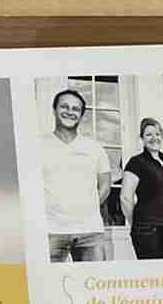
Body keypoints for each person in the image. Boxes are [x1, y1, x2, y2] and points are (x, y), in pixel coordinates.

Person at [40, 86, 111, 261]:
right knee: (49, 278)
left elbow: (105, 185)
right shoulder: (38, 145)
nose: (70, 112)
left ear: (81, 115)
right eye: (64, 107)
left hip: (90, 231)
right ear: (54, 110)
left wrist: (88, 207)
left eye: (75, 109)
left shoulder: (94, 148)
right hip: (50, 230)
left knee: (95, 278)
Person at [119, 117, 163, 260]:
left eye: (157, 134)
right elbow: (125, 197)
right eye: (149, 134)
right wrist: (136, 224)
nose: (154, 138)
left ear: (162, 136)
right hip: (147, 230)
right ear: (142, 138)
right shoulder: (136, 162)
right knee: (151, 272)